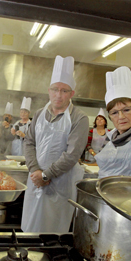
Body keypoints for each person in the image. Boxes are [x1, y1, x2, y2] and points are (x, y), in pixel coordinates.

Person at [21, 55, 89, 233]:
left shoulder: (79, 118)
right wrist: (35, 170)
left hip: (60, 184)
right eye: (55, 89)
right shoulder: (38, 114)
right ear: (49, 91)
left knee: (53, 232)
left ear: (72, 93)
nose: (59, 95)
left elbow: (72, 154)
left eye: (64, 91)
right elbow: (29, 142)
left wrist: (46, 175)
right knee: (30, 228)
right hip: (35, 179)